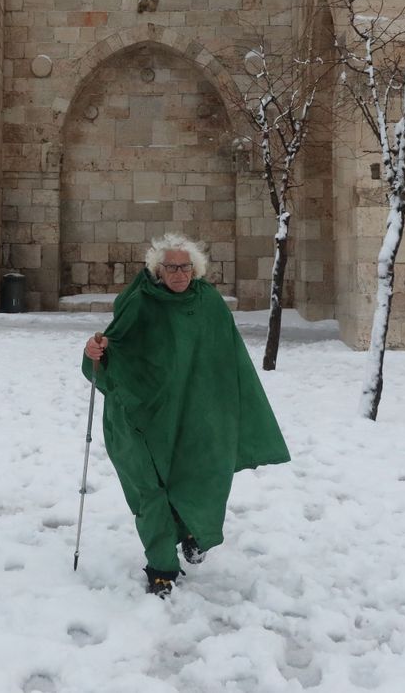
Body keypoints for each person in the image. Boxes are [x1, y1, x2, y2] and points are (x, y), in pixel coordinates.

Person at [81, 232, 289, 598]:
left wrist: (225, 407)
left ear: (196, 269)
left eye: (185, 267)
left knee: (198, 474)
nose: (179, 273)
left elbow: (227, 357)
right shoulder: (140, 303)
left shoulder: (208, 302)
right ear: (157, 271)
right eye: (171, 267)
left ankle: (193, 529)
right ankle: (162, 565)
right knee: (151, 489)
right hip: (140, 415)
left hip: (195, 410)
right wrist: (96, 352)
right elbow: (113, 347)